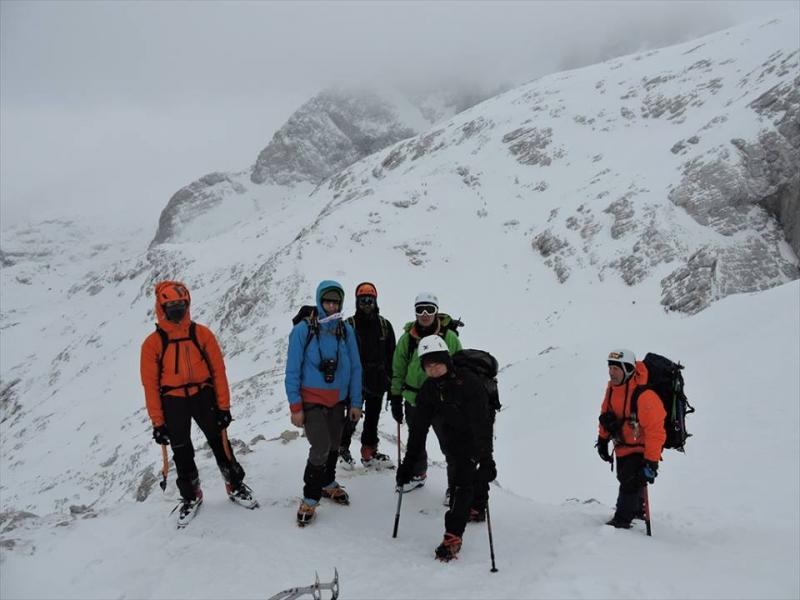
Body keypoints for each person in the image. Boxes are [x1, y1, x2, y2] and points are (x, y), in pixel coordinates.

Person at [140, 281, 257, 528]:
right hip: (173, 401)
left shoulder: (202, 334)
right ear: (161, 308)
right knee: (182, 451)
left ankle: (234, 484)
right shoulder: (153, 344)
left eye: (181, 304)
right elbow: (150, 385)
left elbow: (218, 372)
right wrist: (158, 422)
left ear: (188, 304)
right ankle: (191, 495)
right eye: (171, 305)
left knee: (220, 442)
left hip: (203, 395)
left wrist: (224, 407)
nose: (177, 309)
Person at [396, 336, 496, 562]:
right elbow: (418, 429)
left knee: (466, 478)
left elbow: (481, 424)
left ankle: (453, 536)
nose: (433, 370)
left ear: (446, 361)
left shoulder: (468, 382)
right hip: (453, 431)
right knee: (463, 476)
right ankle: (476, 508)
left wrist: (487, 459)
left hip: (477, 429)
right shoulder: (428, 389)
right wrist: (409, 463)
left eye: (437, 364)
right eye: (428, 366)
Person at [285, 280, 363, 526]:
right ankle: (310, 497)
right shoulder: (303, 330)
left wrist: (356, 402)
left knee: (334, 445)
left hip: (338, 400)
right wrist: (295, 407)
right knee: (320, 446)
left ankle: (328, 482)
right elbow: (292, 370)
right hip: (311, 401)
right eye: (328, 301)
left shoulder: (345, 330)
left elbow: (355, 367)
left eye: (336, 302)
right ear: (320, 301)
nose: (332, 306)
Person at [389, 292, 462, 492]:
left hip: (442, 401)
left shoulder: (449, 337)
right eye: (420, 309)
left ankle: (455, 486)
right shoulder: (408, 338)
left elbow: (459, 367)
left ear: (436, 311)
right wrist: (395, 397)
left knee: (450, 444)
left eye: (429, 309)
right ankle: (417, 474)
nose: (424, 314)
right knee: (416, 442)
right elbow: (398, 369)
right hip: (414, 400)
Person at [596, 349, 666, 529]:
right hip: (622, 445)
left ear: (628, 370)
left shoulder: (645, 396)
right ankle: (638, 510)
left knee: (629, 481)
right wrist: (602, 440)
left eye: (616, 369)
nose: (611, 373)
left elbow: (655, 431)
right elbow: (605, 414)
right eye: (610, 368)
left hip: (641, 447)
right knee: (626, 478)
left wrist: (651, 461)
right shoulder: (612, 389)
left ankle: (622, 520)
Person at [338, 282, 397, 470]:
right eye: (362, 300)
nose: (366, 304)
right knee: (352, 416)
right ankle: (342, 449)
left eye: (369, 300)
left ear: (375, 301)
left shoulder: (384, 326)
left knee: (373, 417)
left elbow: (392, 355)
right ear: (357, 302)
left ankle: (369, 452)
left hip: (378, 379)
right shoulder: (349, 325)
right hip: (355, 379)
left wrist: (392, 382)